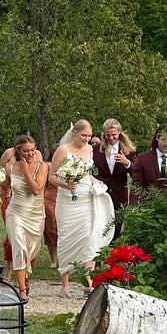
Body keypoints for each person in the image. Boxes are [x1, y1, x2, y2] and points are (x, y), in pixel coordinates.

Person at [51, 120, 114, 297]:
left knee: (90, 235)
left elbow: (87, 174)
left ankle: (88, 282)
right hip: (67, 201)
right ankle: (65, 284)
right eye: (83, 135)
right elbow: (52, 177)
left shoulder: (90, 149)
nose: (86, 139)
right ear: (74, 133)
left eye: (88, 136)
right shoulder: (63, 150)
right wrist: (65, 184)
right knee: (66, 237)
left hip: (87, 199)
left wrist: (96, 182)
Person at [1, 133, 47, 298]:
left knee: (32, 251)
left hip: (35, 214)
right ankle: (21, 290)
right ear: (18, 151)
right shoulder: (10, 167)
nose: (30, 154)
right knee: (19, 248)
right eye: (26, 151)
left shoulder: (42, 166)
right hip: (15, 213)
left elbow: (36, 189)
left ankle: (25, 277)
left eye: (32, 150)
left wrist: (25, 170)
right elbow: (5, 186)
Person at [92, 119, 133, 237]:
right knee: (101, 227)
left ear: (119, 132)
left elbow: (136, 173)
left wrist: (127, 163)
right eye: (107, 135)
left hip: (120, 194)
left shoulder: (129, 150)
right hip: (101, 193)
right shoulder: (95, 149)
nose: (111, 138)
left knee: (117, 228)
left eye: (114, 135)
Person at [131, 124, 167, 195]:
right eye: (163, 140)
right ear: (157, 137)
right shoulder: (143, 159)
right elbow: (136, 185)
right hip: (149, 204)